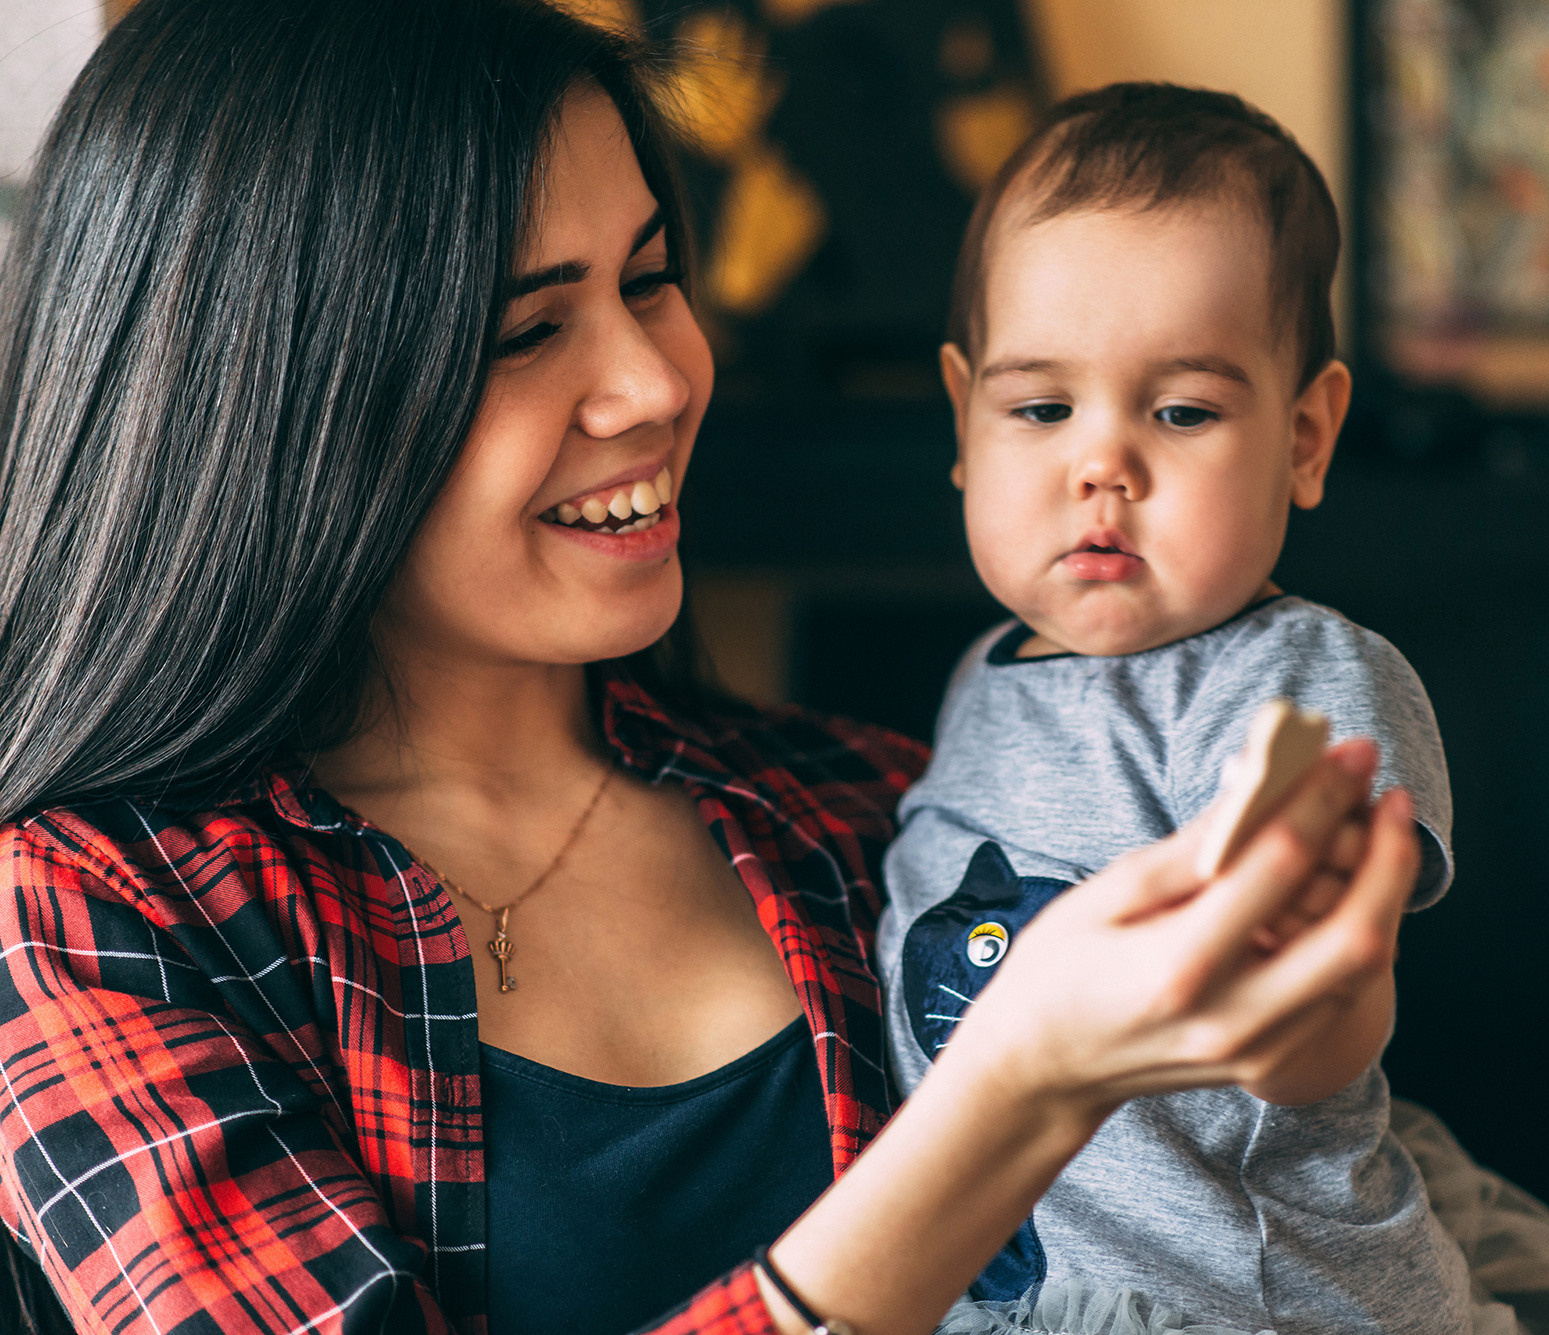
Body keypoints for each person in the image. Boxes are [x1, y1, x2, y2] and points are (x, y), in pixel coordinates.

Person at [0, 4, 1426, 1335]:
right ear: (275, 396)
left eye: (651, 278)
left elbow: (1321, 1193)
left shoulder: (870, 807)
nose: (661, 382)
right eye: (530, 328)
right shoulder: (86, 919)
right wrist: (1010, 1094)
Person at [878, 85, 1467, 1335]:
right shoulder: (985, 673)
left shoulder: (1291, 682)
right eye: (1040, 409)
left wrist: (1295, 1001)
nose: (1102, 465)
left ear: (1304, 438)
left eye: (1182, 411)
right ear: (961, 419)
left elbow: (1330, 1004)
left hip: (1245, 1306)